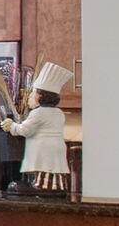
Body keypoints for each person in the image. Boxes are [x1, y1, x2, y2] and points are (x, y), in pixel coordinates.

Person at [6, 63, 75, 193]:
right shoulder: (58, 113)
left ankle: (42, 187)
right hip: (56, 148)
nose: (29, 98)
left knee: (44, 169)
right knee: (54, 168)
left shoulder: (38, 113)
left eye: (32, 94)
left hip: (44, 148)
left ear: (40, 97)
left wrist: (11, 125)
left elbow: (25, 130)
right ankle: (56, 187)